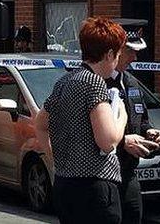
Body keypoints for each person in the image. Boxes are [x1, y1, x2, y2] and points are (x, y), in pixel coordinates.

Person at [37, 17, 129, 224]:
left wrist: (55, 159)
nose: (116, 63)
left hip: (64, 184)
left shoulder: (64, 81)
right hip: (95, 187)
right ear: (109, 54)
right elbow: (108, 141)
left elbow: (40, 124)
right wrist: (121, 116)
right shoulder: (94, 83)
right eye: (117, 56)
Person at [107, 21, 160, 224]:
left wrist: (151, 132)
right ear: (114, 50)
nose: (135, 57)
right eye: (130, 51)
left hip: (129, 172)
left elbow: (141, 121)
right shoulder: (96, 82)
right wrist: (123, 141)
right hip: (104, 174)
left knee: (134, 216)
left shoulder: (131, 82)